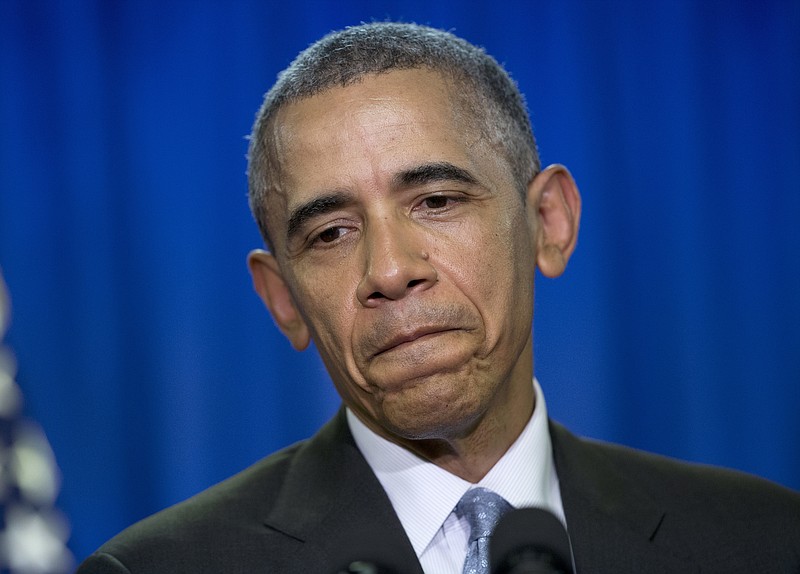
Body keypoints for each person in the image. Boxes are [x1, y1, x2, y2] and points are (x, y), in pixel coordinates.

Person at [78, 22, 800, 574]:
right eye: (330, 233)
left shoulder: (761, 540)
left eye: (437, 200)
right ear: (283, 300)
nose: (390, 270)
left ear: (549, 223)